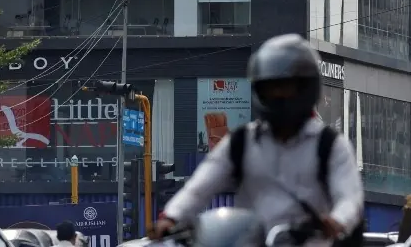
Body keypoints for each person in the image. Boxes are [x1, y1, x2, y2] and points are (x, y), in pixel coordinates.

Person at [148, 34, 363, 246]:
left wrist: (336, 221)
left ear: (306, 87)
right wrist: (171, 218)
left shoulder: (329, 145)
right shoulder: (242, 142)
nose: (278, 95)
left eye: (286, 86)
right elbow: (199, 187)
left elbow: (349, 198)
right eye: (271, 87)